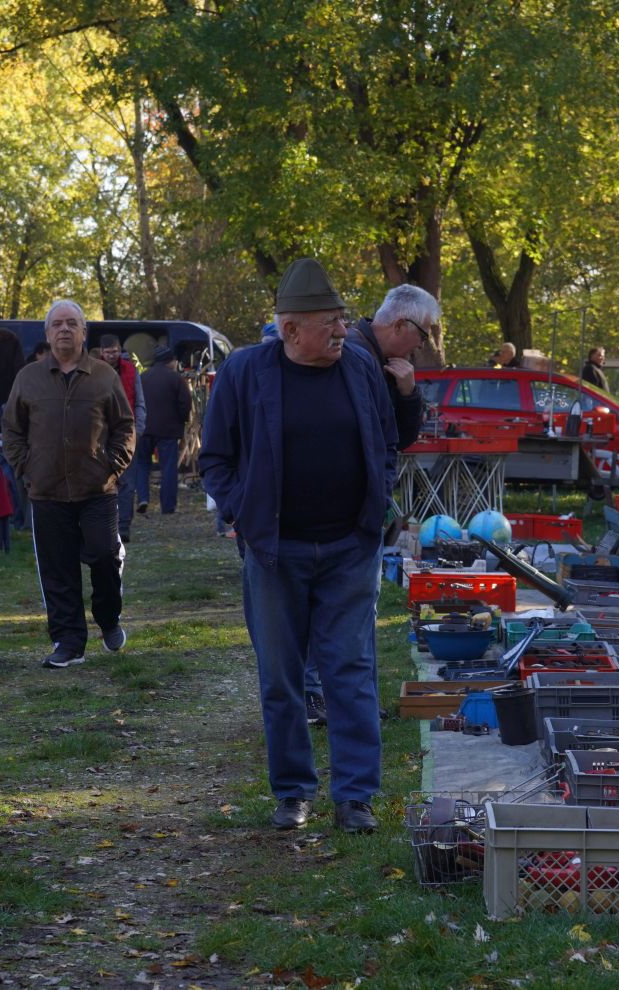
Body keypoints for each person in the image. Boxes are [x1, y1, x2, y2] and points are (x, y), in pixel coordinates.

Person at [199, 258, 398, 835]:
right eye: (328, 322)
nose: (341, 330)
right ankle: (293, 792)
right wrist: (242, 511)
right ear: (289, 329)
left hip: (348, 548)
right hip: (274, 552)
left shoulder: (359, 368)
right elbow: (216, 458)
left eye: (340, 320)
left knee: (351, 671)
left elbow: (386, 443)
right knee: (282, 678)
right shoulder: (244, 372)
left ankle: (355, 796)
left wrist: (376, 504)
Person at [300, 283, 434, 727]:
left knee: (356, 612)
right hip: (339, 514)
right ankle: (320, 697)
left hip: (362, 508)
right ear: (401, 325)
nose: (425, 343)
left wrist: (409, 393)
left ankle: (347, 698)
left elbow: (395, 439)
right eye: (425, 333)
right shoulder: (352, 356)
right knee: (334, 612)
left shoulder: (382, 364)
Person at [3, 301, 135, 669]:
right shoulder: (28, 378)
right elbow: (12, 429)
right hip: (46, 491)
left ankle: (108, 618)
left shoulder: (104, 376)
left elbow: (125, 427)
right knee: (57, 569)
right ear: (47, 334)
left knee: (105, 556)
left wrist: (113, 465)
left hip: (98, 489)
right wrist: (27, 468)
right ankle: (69, 641)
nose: (64, 329)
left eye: (71, 323)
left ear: (83, 332)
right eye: (57, 324)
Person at [97, 335, 146, 537]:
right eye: (108, 352)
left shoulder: (131, 371)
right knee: (102, 481)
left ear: (119, 350)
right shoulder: (92, 371)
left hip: (127, 433)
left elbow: (140, 402)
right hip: (100, 435)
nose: (111, 355)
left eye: (115, 351)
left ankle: (124, 525)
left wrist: (139, 429)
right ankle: (105, 524)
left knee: (127, 483)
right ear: (102, 352)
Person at [137, 345, 192, 514]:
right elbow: (185, 403)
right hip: (168, 430)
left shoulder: (143, 376)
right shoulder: (176, 379)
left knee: (142, 465)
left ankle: (143, 498)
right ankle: (168, 506)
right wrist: (182, 421)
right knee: (168, 468)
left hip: (144, 427)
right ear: (171, 361)